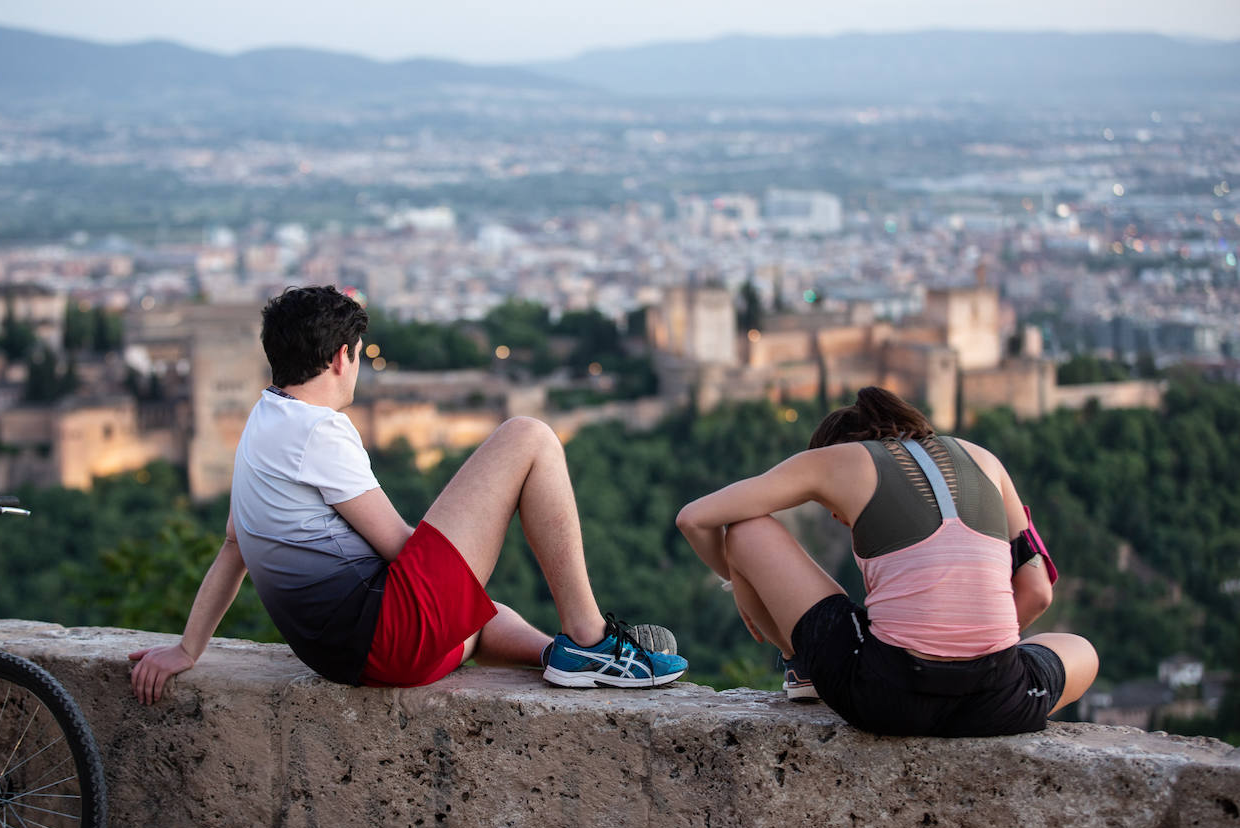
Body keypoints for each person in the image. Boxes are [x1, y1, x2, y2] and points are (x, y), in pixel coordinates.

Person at [130, 285, 686, 703]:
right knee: (529, 436)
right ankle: (590, 640)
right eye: (358, 357)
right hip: (386, 642)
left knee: (482, 612)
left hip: (342, 657)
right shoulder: (318, 429)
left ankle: (554, 654)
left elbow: (234, 548)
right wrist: (468, 527)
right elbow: (400, 548)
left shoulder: (263, 421)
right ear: (342, 357)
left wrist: (188, 648)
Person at [676, 386, 1097, 737]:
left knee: (746, 528)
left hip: (883, 699)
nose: (837, 517)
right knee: (1080, 649)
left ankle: (801, 666)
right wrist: (963, 655)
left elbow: (694, 518)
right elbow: (1038, 592)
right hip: (1000, 702)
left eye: (831, 507)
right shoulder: (985, 460)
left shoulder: (837, 460)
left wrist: (743, 584)